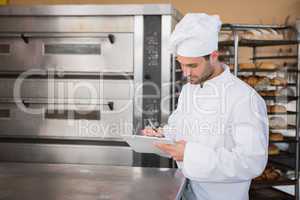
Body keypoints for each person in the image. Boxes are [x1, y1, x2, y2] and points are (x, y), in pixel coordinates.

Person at [143, 13, 269, 200]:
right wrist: (164, 134)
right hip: (185, 190)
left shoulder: (244, 98)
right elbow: (183, 130)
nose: (186, 73)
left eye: (192, 65)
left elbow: (251, 162)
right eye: (181, 64)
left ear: (213, 56)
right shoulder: (189, 90)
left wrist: (189, 154)